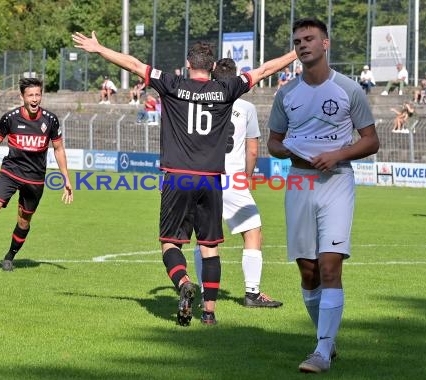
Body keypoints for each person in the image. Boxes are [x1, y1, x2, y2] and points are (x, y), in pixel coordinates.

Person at [72, 31, 296, 326]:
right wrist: (297, 53)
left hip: (178, 177)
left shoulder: (172, 84)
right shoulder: (227, 89)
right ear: (213, 65)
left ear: (188, 63)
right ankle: (209, 314)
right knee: (210, 247)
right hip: (212, 180)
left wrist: (99, 49)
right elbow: (265, 69)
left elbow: (133, 65)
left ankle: (184, 284)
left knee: (170, 245)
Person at [267, 18, 379, 373]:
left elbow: (371, 140)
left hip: (337, 181)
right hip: (299, 180)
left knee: (330, 265)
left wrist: (337, 155)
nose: (303, 45)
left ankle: (321, 350)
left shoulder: (349, 89)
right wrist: (288, 151)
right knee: (308, 270)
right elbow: (273, 142)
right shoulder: (286, 93)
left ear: (325, 44)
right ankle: (325, 342)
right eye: (298, 41)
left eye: (310, 39)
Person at [0, 78, 73, 271]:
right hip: (10, 173)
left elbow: (58, 149)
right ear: (22, 97)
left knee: (24, 221)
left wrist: (66, 178)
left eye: (38, 94)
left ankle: (9, 257)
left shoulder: (50, 120)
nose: (35, 99)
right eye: (30, 95)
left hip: (34, 179)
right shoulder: (11, 118)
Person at [193, 58, 283, 309]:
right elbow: (252, 150)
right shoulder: (245, 107)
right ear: (235, 79)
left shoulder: (200, 101)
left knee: (204, 239)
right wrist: (248, 176)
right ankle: (252, 293)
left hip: (203, 177)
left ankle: (204, 293)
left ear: (213, 77)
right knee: (253, 232)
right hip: (232, 178)